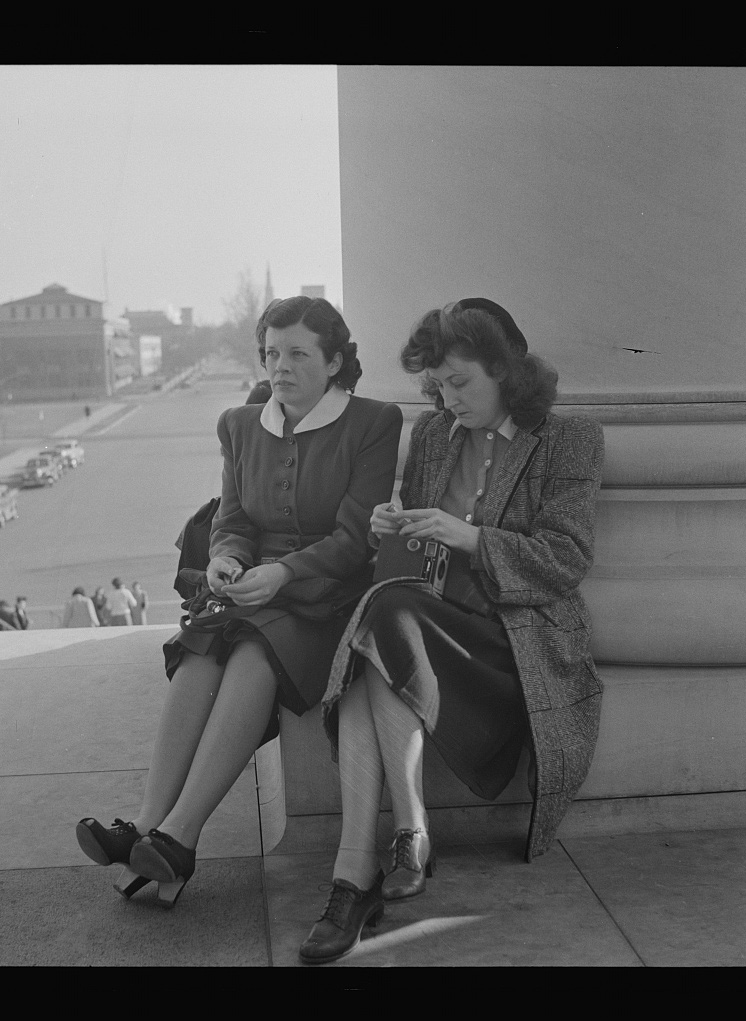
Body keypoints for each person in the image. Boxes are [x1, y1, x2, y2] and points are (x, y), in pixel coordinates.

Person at [298, 298, 605, 965]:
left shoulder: (569, 438)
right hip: (429, 627)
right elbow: (418, 541)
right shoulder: (435, 436)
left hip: (513, 647)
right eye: (436, 386)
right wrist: (396, 523)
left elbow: (567, 557)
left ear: (508, 371)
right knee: (382, 627)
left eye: (460, 382)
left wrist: (469, 536)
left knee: (376, 630)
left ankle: (388, 850)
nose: (447, 399)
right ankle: (370, 860)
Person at [76, 295, 403, 907]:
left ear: (334, 362)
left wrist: (282, 575)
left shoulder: (374, 423)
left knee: (253, 652)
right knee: (201, 649)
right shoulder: (238, 424)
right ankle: (149, 822)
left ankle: (182, 833)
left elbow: (355, 539)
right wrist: (227, 556)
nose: (280, 366)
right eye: (271, 353)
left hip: (325, 595)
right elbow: (233, 520)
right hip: (252, 589)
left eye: (298, 353)